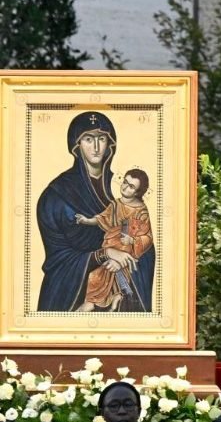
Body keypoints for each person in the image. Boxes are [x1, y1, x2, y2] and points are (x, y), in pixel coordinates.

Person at [36, 110, 155, 312]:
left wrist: (127, 256)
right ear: (76, 145)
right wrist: (105, 253)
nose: (97, 147)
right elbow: (58, 259)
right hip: (70, 293)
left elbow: (145, 242)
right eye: (88, 139)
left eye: (102, 139)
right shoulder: (56, 195)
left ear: (111, 144)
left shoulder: (120, 189)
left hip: (123, 286)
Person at [75, 167, 153, 312]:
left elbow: (148, 237)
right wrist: (86, 220)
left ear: (137, 192)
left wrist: (133, 241)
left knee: (106, 271)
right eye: (125, 182)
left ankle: (112, 295)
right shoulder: (116, 204)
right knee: (97, 275)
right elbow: (102, 218)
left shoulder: (141, 210)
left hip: (128, 250)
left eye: (131, 186)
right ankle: (112, 296)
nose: (125, 187)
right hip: (112, 245)